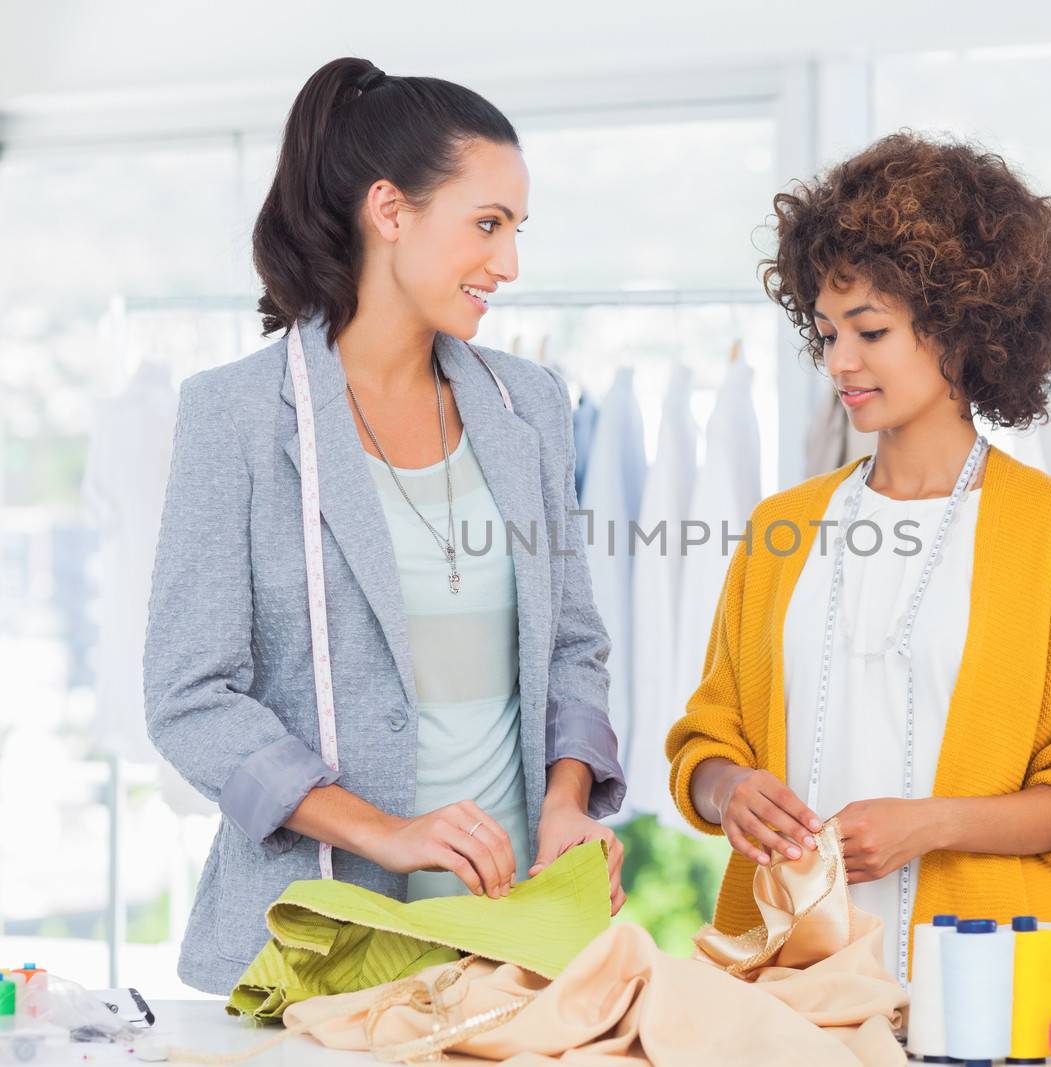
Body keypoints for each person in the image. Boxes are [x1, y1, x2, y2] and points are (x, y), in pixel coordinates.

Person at [144, 57, 625, 995]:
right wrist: (384, 831)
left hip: (511, 944)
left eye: (517, 230)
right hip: (326, 946)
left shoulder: (528, 405)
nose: (510, 263)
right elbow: (190, 697)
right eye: (487, 225)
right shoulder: (238, 418)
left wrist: (567, 802)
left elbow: (574, 645)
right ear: (390, 210)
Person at [667, 132, 1051, 980]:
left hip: (978, 985)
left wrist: (932, 823)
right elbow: (704, 742)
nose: (840, 362)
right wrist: (728, 789)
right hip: (783, 981)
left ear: (962, 327)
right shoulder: (785, 526)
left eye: (871, 330)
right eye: (825, 333)